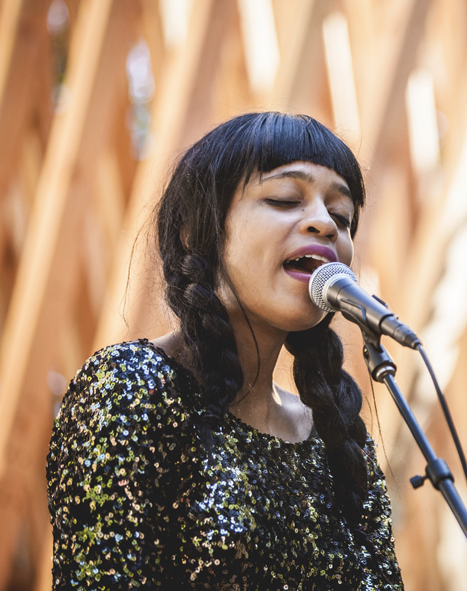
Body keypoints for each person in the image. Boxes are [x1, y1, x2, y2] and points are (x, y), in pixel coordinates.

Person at [46, 112, 404, 589]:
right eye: (284, 198)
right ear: (197, 233)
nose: (325, 224)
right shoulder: (131, 388)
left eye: (342, 217)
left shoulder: (337, 435)